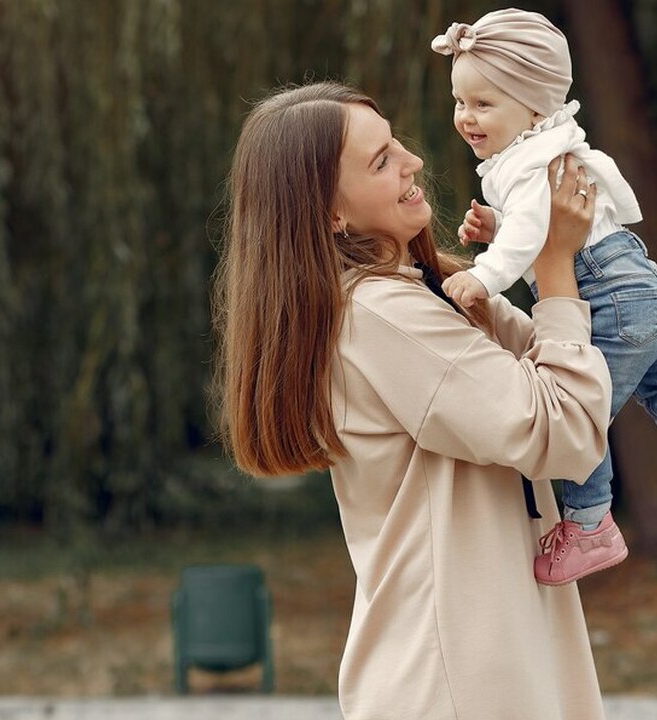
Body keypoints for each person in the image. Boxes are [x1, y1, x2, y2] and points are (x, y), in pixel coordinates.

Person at [215, 81, 613, 719]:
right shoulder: (383, 314)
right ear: (330, 215)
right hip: (457, 681)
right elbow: (564, 432)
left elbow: (572, 369)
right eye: (380, 161)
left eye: (394, 142)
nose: (413, 162)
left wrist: (539, 251)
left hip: (472, 663)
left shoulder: (426, 293)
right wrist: (555, 267)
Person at [430, 8, 657, 586]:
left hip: (609, 297)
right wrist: (500, 231)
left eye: (484, 104)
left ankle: (590, 525)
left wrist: (487, 272)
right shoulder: (553, 146)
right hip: (646, 286)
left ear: (535, 105)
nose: (466, 118)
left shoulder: (529, 162)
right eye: (459, 102)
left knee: (580, 415)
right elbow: (544, 227)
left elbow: (531, 235)